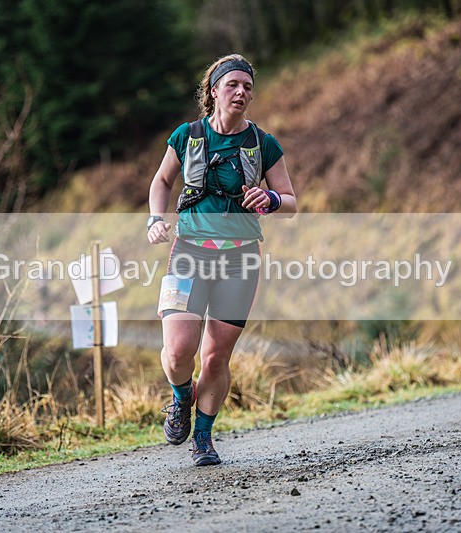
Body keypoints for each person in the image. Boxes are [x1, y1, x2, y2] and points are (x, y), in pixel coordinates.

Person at [147, 54, 297, 466]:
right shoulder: (188, 135)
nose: (241, 92)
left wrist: (270, 198)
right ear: (213, 91)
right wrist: (155, 220)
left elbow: (291, 201)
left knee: (215, 357)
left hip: (240, 260)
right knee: (178, 352)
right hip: (190, 253)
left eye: (247, 87)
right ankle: (181, 399)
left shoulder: (263, 144)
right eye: (232, 85)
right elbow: (161, 181)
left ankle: (203, 438)